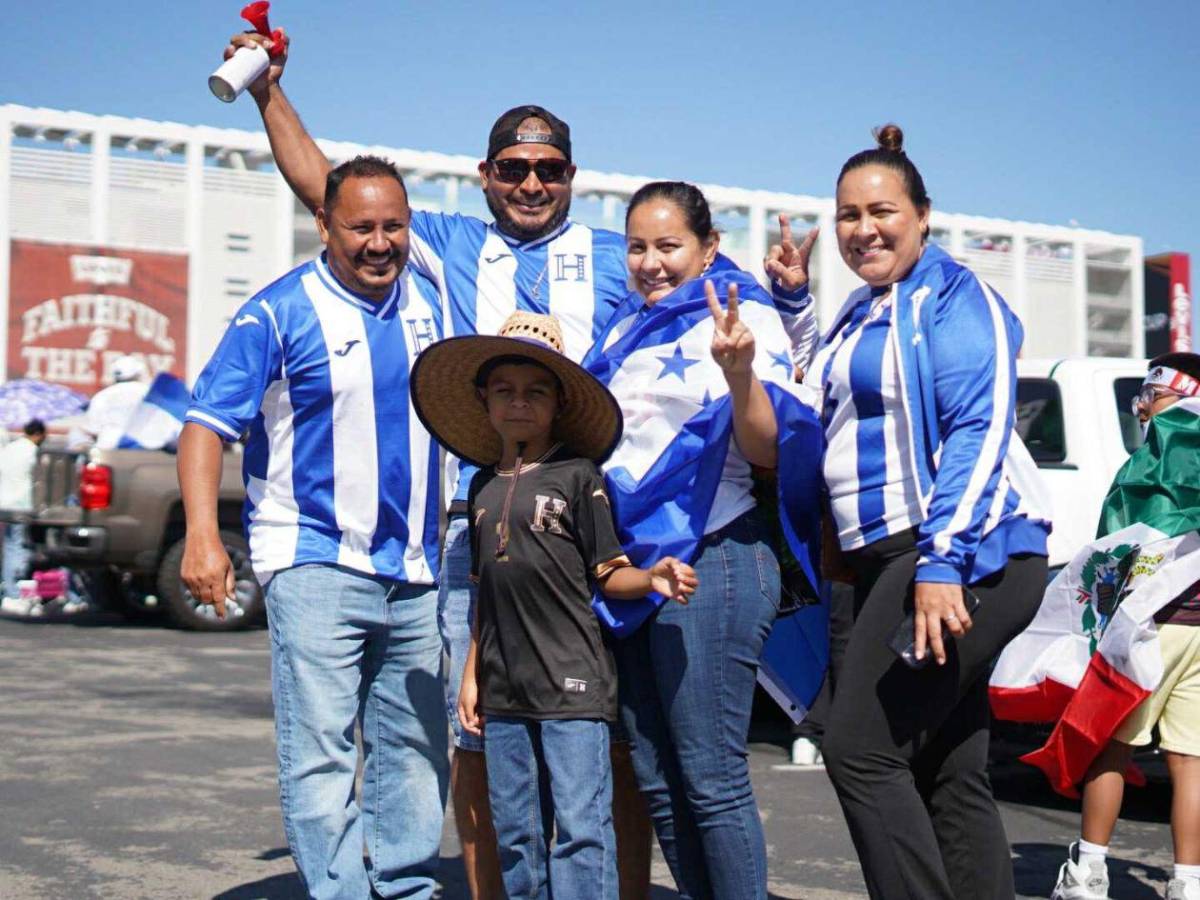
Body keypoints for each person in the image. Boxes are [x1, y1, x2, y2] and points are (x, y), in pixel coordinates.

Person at [178, 156, 448, 900]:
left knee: (417, 752)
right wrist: (203, 535)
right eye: (360, 226)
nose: (379, 242)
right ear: (323, 224)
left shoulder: (431, 303)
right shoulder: (277, 311)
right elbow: (205, 426)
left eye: (394, 226)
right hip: (315, 559)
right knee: (322, 754)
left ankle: (406, 889)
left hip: (419, 572)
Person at [809, 125, 1052, 900]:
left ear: (923, 215)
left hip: (966, 553)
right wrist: (788, 300)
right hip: (896, 557)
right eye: (848, 215)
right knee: (949, 768)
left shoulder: (954, 297)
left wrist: (943, 563)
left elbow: (981, 428)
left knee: (860, 750)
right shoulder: (862, 309)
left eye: (881, 211)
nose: (863, 229)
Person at [581, 181, 825, 900]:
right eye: (637, 246)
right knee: (657, 776)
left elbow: (770, 449)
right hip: (636, 570)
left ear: (709, 247)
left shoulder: (740, 316)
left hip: (714, 553)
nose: (650, 263)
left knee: (710, 775)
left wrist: (739, 370)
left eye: (669, 246)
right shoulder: (627, 326)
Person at [411, 311, 697, 899]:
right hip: (504, 687)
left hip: (573, 683)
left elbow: (608, 572)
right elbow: (482, 592)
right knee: (515, 830)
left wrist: (649, 579)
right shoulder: (481, 488)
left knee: (579, 830)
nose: (520, 404)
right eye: (505, 392)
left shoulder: (577, 476)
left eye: (536, 392)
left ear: (558, 404)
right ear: (484, 401)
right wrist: (472, 676)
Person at [1050, 353, 1200, 900]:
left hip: (1149, 626)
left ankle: (1089, 872)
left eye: (1149, 395)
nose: (1141, 406)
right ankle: (1188, 882)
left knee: (1111, 747)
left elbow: (1113, 550)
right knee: (1191, 763)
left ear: (1175, 394)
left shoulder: (1152, 459)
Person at [0, 419, 47, 602]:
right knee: (20, 547)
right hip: (23, 504)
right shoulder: (33, 452)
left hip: (5, 504)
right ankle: (15, 592)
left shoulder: (10, 448)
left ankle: (9, 588)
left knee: (11, 546)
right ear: (39, 434)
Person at [85, 355, 149, 448]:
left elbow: (93, 429)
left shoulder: (102, 395)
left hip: (109, 450)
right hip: (146, 450)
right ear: (139, 374)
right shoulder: (150, 392)